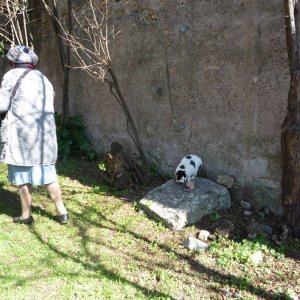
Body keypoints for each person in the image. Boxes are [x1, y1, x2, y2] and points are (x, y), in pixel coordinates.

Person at [0, 45, 68, 225]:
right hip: (44, 136)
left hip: (22, 135)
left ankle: (26, 215)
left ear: (12, 61)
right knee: (48, 175)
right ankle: (62, 212)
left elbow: (2, 105)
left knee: (23, 176)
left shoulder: (10, 76)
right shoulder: (43, 78)